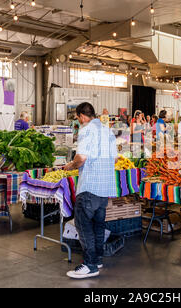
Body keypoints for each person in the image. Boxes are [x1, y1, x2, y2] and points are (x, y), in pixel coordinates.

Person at [63, 102, 117, 279]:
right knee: (98, 224)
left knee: (83, 224)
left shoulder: (86, 130)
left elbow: (81, 158)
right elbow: (115, 159)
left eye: (78, 119)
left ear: (81, 116)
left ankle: (89, 265)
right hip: (105, 187)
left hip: (90, 185)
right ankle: (98, 259)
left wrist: (71, 165)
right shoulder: (107, 130)